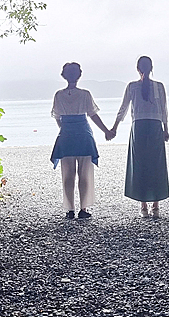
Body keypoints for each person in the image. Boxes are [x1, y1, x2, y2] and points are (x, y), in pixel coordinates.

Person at [108, 55, 169, 219]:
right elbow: (164, 109)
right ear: (151, 68)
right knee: (156, 164)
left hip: (139, 127)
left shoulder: (132, 86)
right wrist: (166, 129)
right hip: (155, 126)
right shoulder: (159, 86)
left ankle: (143, 205)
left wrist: (114, 127)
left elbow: (123, 109)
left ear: (138, 69)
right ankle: (155, 206)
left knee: (140, 164)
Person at [50, 62, 111, 219]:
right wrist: (106, 131)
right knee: (85, 174)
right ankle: (83, 208)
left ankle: (69, 209)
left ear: (64, 76)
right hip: (84, 134)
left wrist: (65, 128)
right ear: (79, 75)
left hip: (66, 135)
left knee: (67, 174)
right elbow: (93, 115)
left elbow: (57, 117)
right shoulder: (85, 94)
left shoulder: (58, 95)